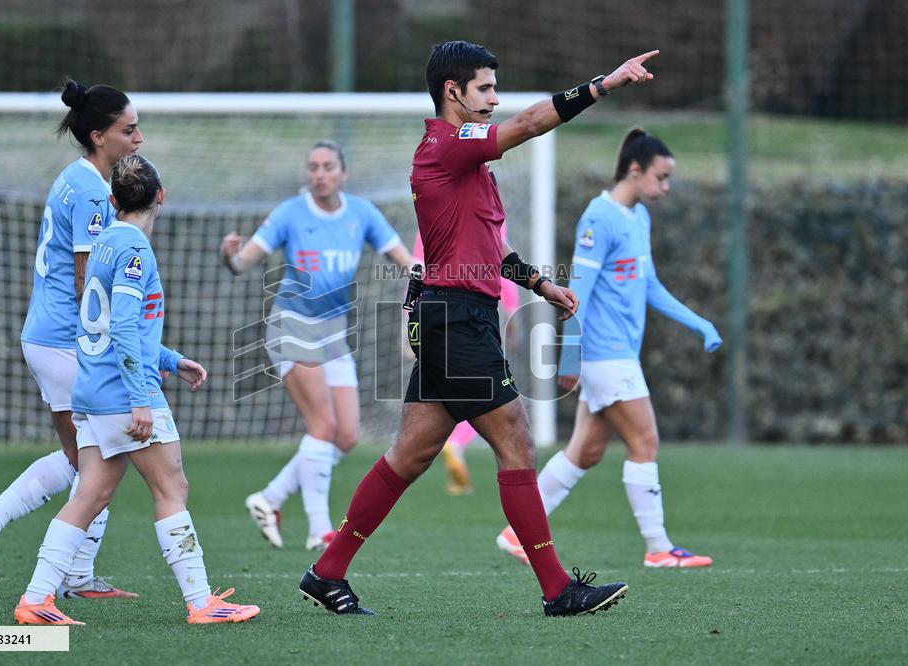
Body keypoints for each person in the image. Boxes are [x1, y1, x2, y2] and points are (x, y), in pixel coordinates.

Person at [298, 40, 658, 617]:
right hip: (456, 318)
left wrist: (540, 284)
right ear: (453, 92)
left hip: (458, 316)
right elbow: (531, 123)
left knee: (410, 455)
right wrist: (604, 84)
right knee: (516, 440)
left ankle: (327, 571)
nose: (494, 98)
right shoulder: (446, 145)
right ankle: (557, 589)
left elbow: (492, 244)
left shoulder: (468, 163)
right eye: (485, 88)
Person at [14, 154, 260, 625]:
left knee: (90, 496)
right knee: (172, 486)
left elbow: (109, 322)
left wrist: (170, 360)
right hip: (122, 392)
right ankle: (202, 602)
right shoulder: (133, 249)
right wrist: (140, 399)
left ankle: (35, 599)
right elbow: (124, 327)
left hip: (92, 390)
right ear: (161, 196)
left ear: (112, 201)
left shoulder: (104, 241)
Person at [496, 128, 722, 569]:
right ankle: (658, 548)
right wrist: (569, 357)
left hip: (619, 355)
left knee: (585, 452)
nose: (666, 187)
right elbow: (576, 291)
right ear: (635, 170)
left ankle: (515, 533)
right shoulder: (599, 218)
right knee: (645, 441)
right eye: (661, 177)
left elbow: (649, 285)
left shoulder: (639, 218)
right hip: (605, 354)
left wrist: (698, 322)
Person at [0, 80, 141, 599]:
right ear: (99, 136)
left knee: (84, 456)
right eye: (129, 130)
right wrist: (110, 342)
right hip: (65, 339)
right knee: (106, 454)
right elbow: (87, 280)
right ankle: (66, 574)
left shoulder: (75, 177)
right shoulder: (92, 192)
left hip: (48, 336)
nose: (138, 139)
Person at [220, 141, 413, 551]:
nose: (320, 174)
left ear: (344, 173)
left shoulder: (362, 213)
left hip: (333, 333)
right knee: (322, 426)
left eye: (328, 167)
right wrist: (230, 256)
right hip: (292, 327)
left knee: (346, 435)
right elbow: (242, 263)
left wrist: (435, 277)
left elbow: (406, 261)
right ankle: (319, 529)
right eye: (313, 167)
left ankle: (269, 498)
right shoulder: (290, 213)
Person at [411, 225, 521, 496]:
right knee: (501, 413)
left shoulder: (428, 212)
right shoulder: (486, 210)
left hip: (431, 315)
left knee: (449, 392)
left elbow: (417, 267)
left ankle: (450, 444)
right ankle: (457, 442)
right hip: (476, 314)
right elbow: (500, 260)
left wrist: (409, 318)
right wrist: (513, 310)